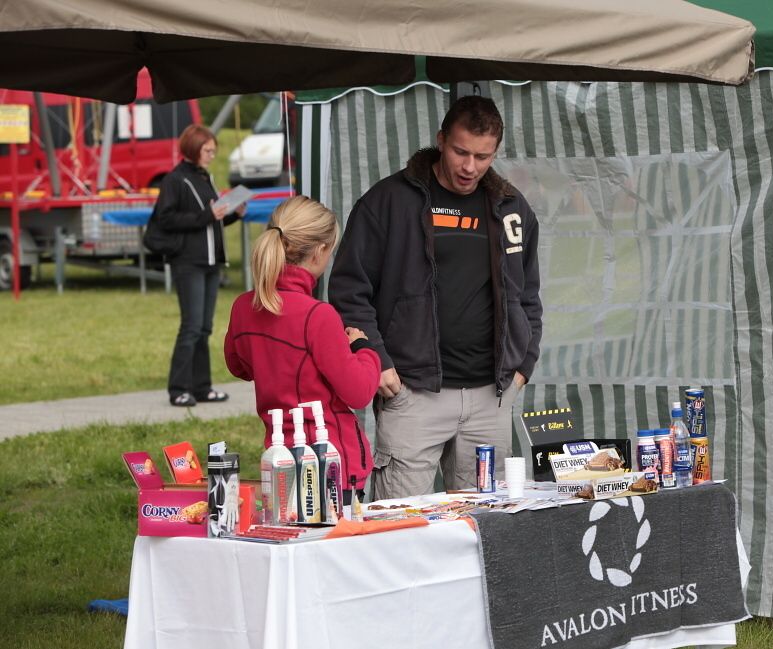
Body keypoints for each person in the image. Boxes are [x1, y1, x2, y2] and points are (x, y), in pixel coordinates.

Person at [329, 95, 543, 500]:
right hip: (412, 393)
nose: (470, 167)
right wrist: (376, 358)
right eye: (461, 152)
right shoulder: (388, 201)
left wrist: (523, 366)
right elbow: (348, 290)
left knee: (484, 525)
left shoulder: (511, 207)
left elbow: (528, 295)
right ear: (441, 140)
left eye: (482, 156)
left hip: (491, 397)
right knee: (401, 524)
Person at [224, 196, 381, 501]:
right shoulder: (318, 315)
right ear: (320, 251)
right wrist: (363, 347)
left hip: (278, 459)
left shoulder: (243, 306)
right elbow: (359, 391)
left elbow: (238, 366)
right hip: (330, 462)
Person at [155, 124, 245, 407]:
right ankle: (178, 389)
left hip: (210, 262)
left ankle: (202, 387)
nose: (211, 155)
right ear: (193, 149)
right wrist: (208, 214)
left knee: (205, 328)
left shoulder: (205, 177)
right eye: (207, 150)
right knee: (191, 327)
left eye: (213, 151)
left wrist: (233, 214)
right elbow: (166, 219)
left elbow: (211, 219)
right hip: (189, 262)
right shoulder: (175, 180)